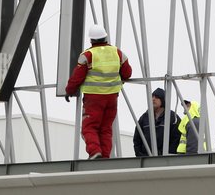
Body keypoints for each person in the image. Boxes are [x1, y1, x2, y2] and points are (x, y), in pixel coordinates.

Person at [65, 24, 132, 159]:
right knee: (106, 129)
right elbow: (127, 73)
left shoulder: (87, 55)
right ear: (106, 37)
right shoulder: (117, 52)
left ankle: (95, 152)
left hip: (93, 98)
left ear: (91, 40)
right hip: (112, 97)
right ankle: (105, 157)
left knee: (89, 127)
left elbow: (77, 77)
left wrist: (69, 90)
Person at [132, 87, 181, 157]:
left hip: (166, 159)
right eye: (152, 97)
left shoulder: (173, 117)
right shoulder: (144, 117)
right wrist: (140, 155)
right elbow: (137, 139)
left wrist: (168, 155)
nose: (153, 99)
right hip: (146, 159)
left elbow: (176, 138)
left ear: (163, 100)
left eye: (157, 97)